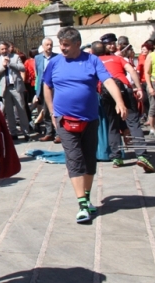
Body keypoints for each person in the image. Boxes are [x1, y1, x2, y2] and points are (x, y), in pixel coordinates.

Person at [43, 27, 127, 223]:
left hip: (89, 119)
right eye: (60, 44)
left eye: (66, 45)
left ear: (77, 44)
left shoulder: (92, 60)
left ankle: (86, 199)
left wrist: (119, 101)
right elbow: (46, 85)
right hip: (64, 119)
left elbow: (108, 81)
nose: (62, 48)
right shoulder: (54, 62)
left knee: (89, 159)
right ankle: (82, 205)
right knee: (75, 158)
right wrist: (52, 110)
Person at [94, 36, 152, 171]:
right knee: (133, 123)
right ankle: (141, 155)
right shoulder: (117, 58)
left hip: (106, 93)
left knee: (112, 124)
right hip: (124, 89)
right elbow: (131, 70)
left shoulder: (95, 61)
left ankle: (116, 157)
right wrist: (139, 88)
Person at [0, 41, 32, 141]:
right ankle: (13, 132)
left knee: (21, 110)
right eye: (2, 49)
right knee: (9, 112)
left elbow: (22, 68)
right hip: (5, 88)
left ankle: (26, 132)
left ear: (8, 48)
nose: (4, 51)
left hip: (16, 87)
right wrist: (3, 66)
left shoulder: (15, 57)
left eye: (5, 48)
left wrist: (10, 63)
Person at [34, 38, 59, 143]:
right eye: (47, 45)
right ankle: (49, 133)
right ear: (43, 46)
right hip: (43, 87)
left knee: (56, 110)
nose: (49, 47)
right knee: (46, 111)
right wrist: (37, 92)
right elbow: (38, 75)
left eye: (51, 45)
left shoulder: (57, 57)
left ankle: (58, 134)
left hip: (55, 87)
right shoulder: (38, 58)